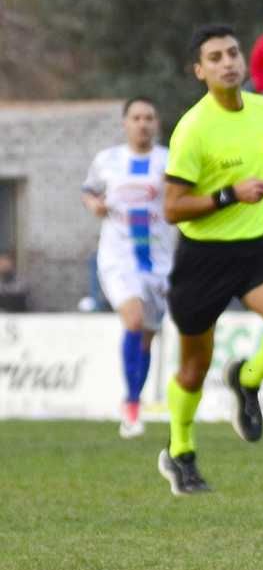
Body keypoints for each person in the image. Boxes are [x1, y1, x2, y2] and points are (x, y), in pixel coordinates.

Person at [160, 24, 263, 496]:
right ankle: (180, 452)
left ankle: (246, 379)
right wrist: (230, 194)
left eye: (232, 53)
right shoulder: (192, 129)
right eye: (215, 57)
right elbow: (172, 208)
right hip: (202, 257)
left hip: (253, 248)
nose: (228, 62)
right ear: (200, 71)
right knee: (193, 368)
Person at [81, 96, 175, 439]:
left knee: (147, 337)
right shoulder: (107, 160)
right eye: (136, 117)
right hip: (118, 256)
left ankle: (135, 399)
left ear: (157, 123)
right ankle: (131, 404)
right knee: (133, 320)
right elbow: (89, 191)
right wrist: (94, 205)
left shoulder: (169, 161)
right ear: (125, 123)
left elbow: (182, 199)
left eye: (149, 117)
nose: (143, 123)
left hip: (158, 260)